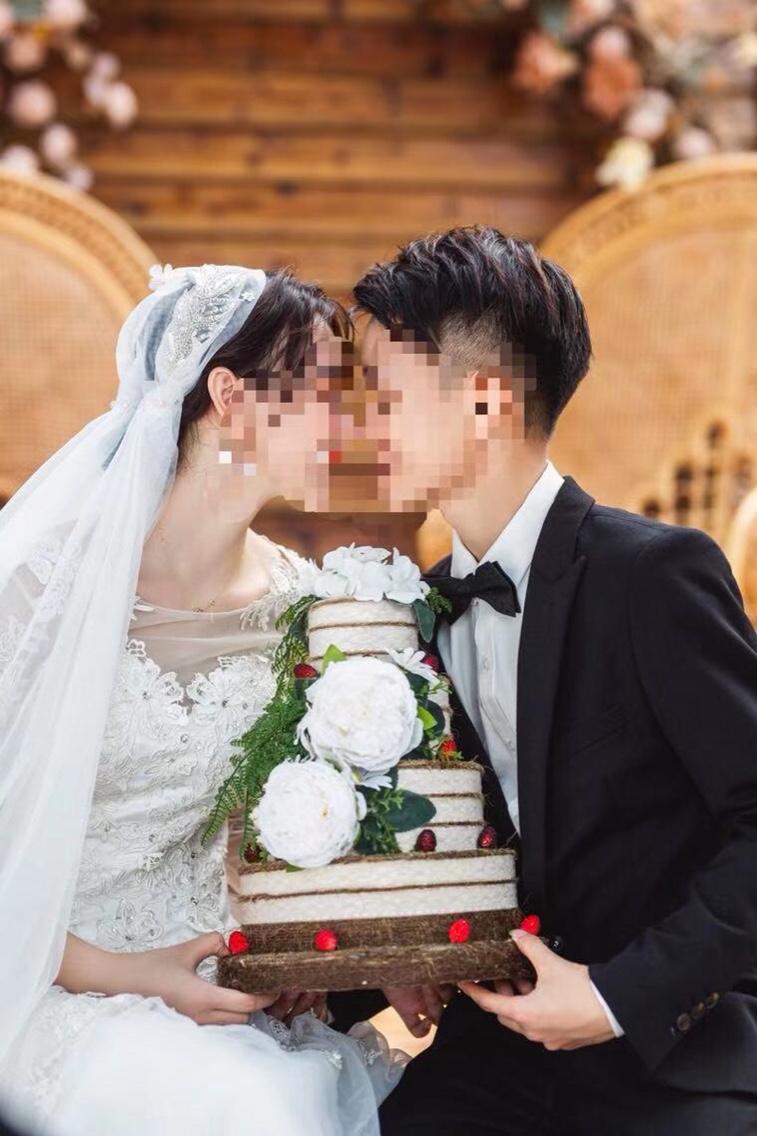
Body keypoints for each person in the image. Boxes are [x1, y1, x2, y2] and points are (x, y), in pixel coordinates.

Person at [351, 226, 757, 1135]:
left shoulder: (652, 575)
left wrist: (614, 997)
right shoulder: (411, 614)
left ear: (484, 404)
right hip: (489, 1057)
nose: (365, 423)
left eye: (386, 395)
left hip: (668, 1045)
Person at [0, 264, 402, 1136]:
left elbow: (272, 828)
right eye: (326, 393)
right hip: (48, 979)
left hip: (222, 990)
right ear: (230, 396)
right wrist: (134, 976)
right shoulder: (37, 593)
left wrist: (287, 952)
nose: (348, 424)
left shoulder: (303, 604)